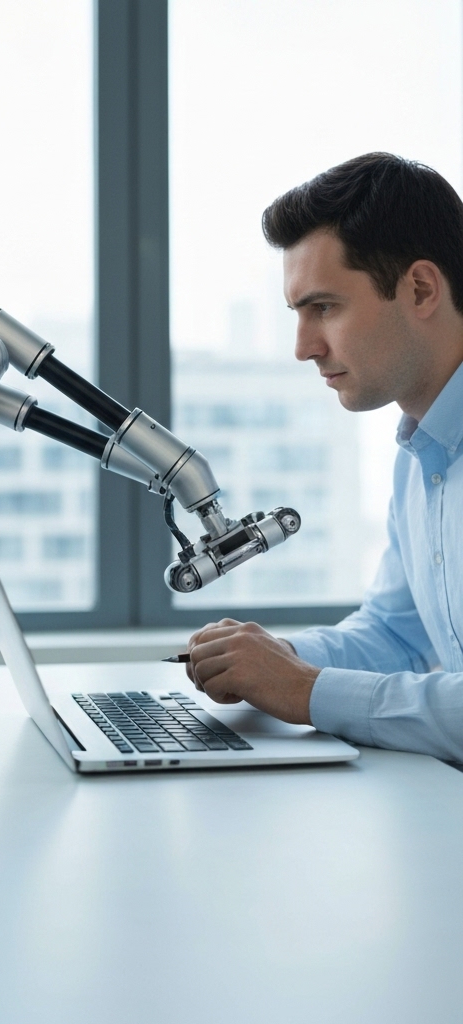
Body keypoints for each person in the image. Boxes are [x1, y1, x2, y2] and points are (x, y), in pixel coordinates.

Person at [185, 152, 463, 762]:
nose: (304, 347)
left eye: (325, 308)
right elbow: (394, 633)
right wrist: (269, 659)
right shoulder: (421, 456)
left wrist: (304, 689)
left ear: (419, 288)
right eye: (298, 313)